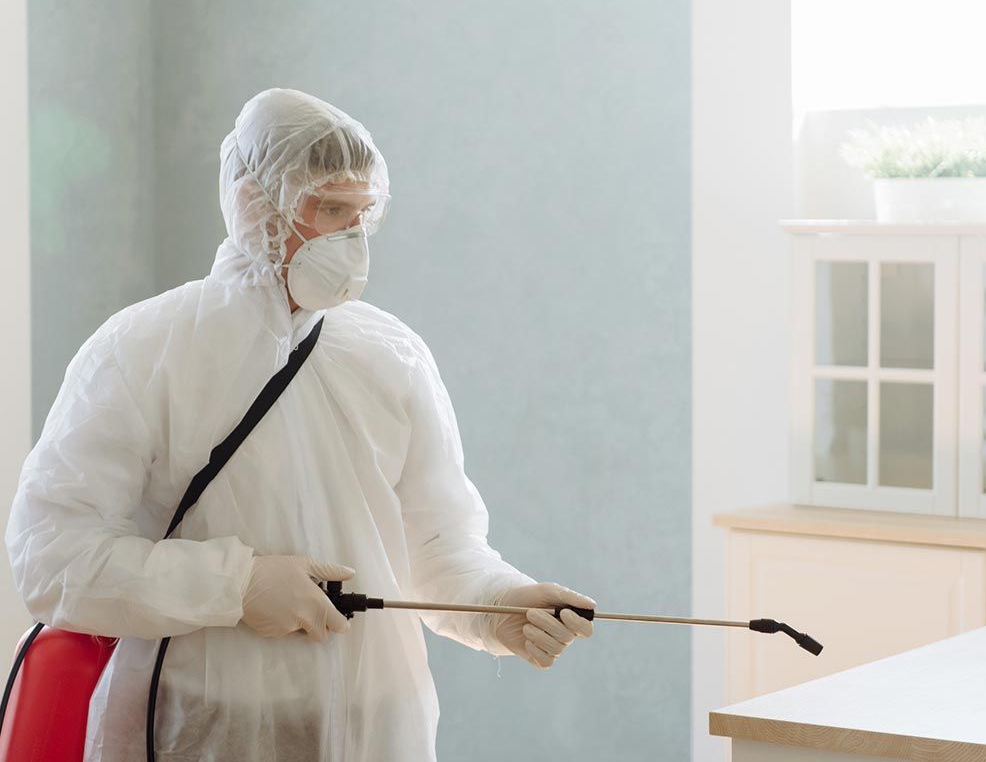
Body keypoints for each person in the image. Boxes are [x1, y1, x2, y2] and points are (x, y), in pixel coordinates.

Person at [4, 88, 596, 761]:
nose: (350, 237)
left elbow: (435, 545)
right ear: (258, 203)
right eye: (330, 209)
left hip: (376, 728)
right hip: (197, 729)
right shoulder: (143, 351)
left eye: (361, 214)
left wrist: (499, 604)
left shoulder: (390, 355)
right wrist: (237, 585)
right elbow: (52, 557)